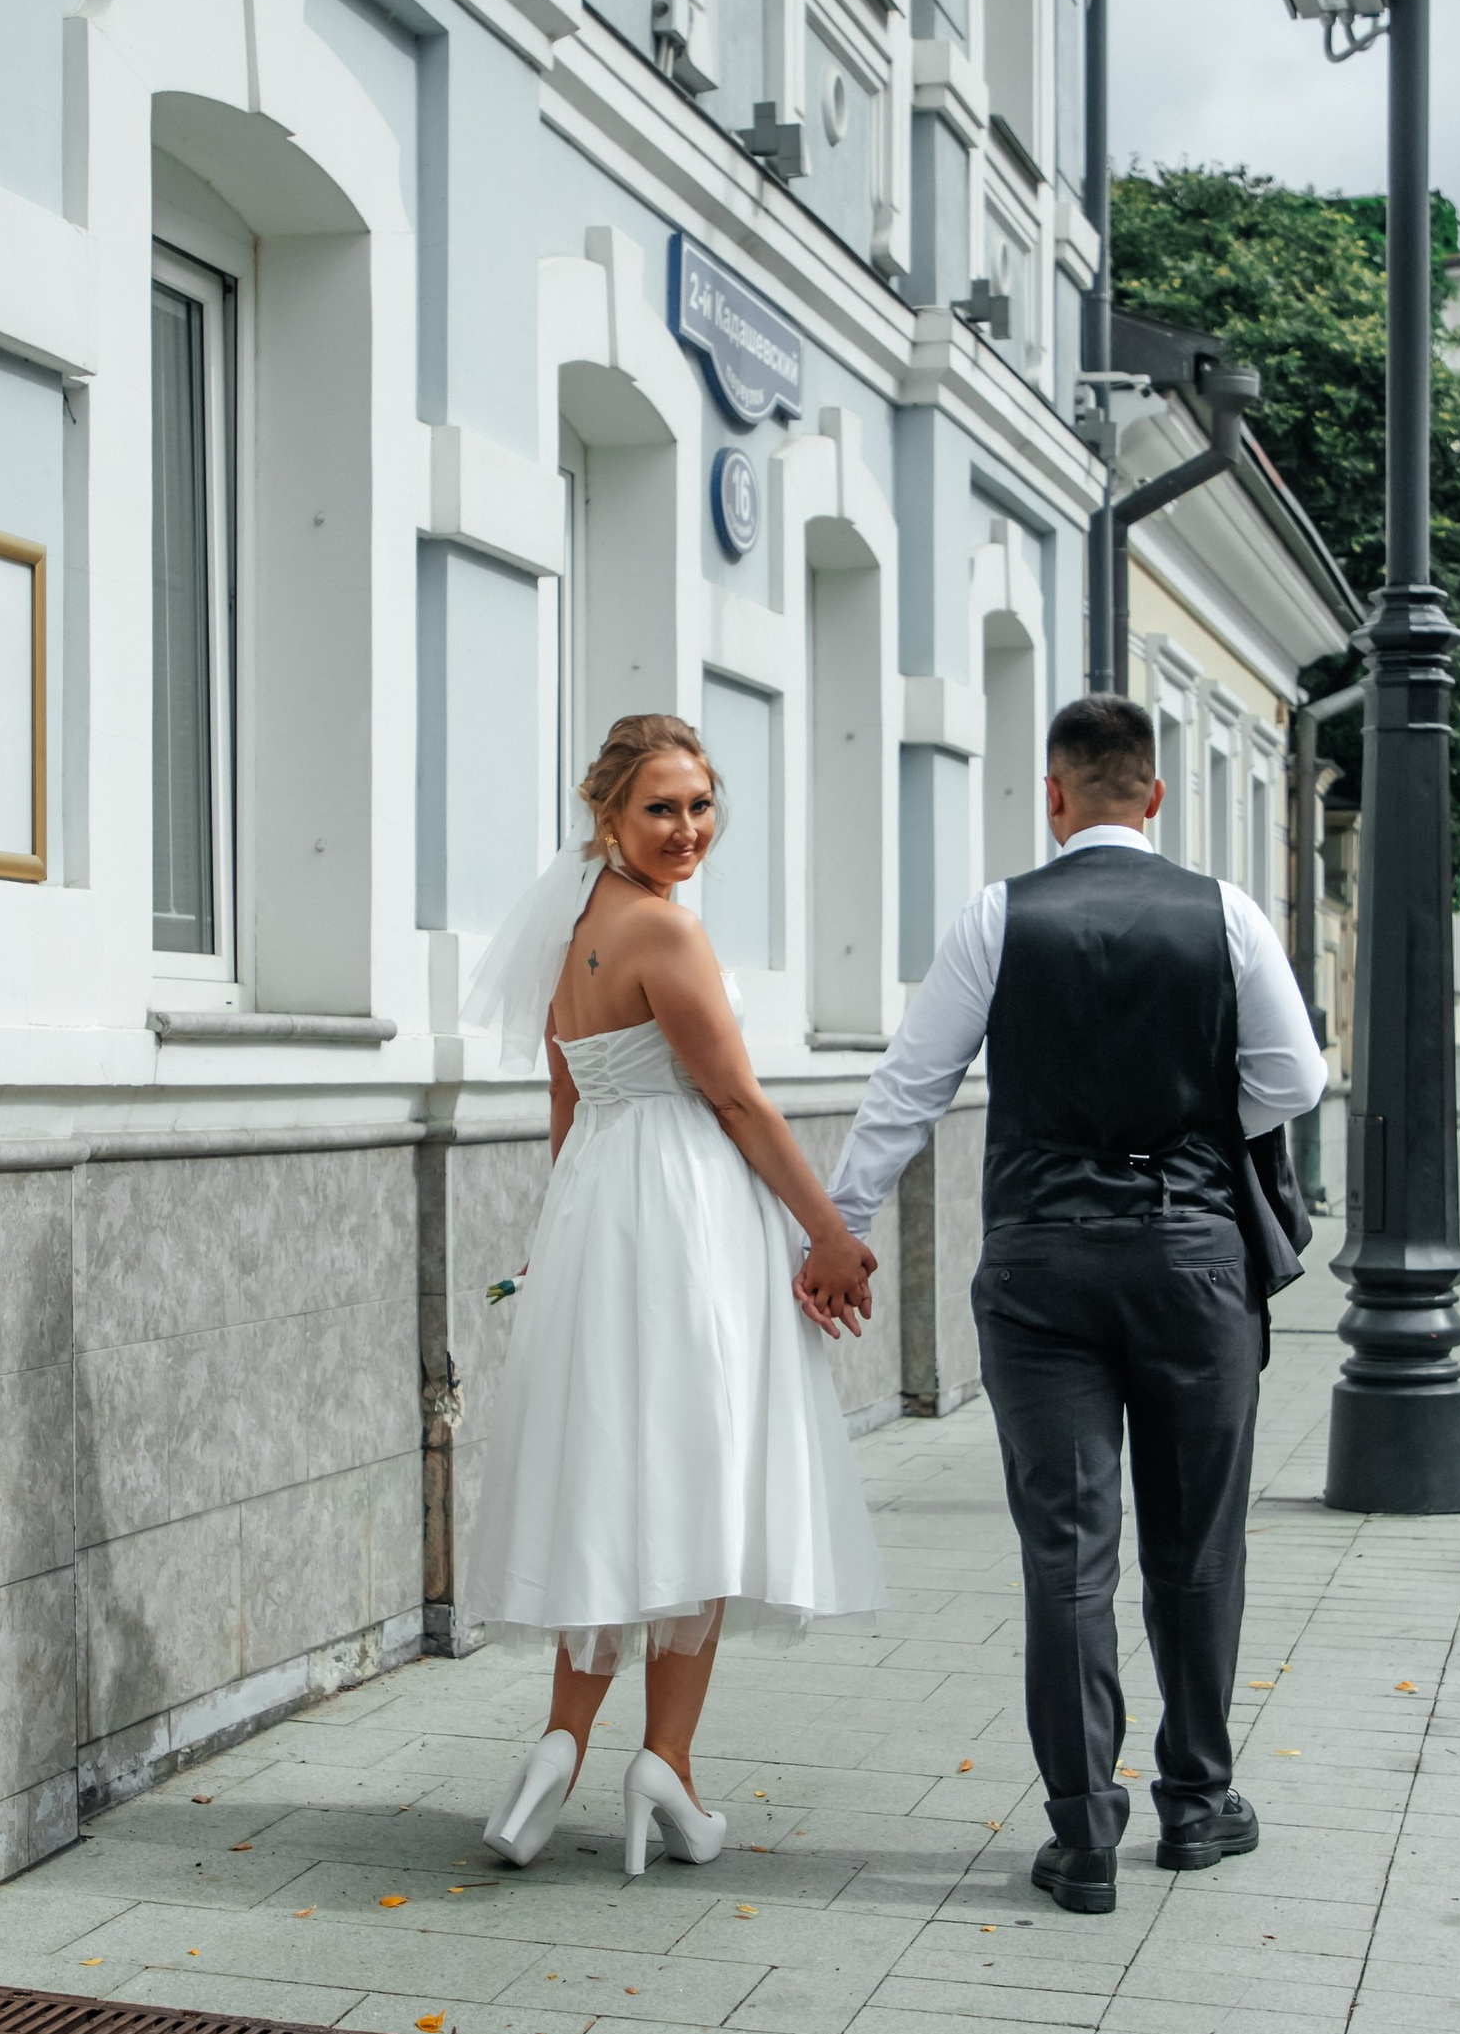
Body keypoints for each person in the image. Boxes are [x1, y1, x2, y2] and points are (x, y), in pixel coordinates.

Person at [817, 695, 1325, 1913]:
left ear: (1052, 798)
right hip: (1193, 1262)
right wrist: (1195, 1134)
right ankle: (1196, 1805)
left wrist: (840, 1227)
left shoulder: (1000, 916)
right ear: (1154, 797)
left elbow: (910, 1086)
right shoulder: (1226, 914)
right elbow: (1292, 1078)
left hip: (1043, 1271)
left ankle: (1082, 1833)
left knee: (1069, 1554)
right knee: (1196, 1549)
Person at [460, 714, 885, 1879]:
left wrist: (560, 1228)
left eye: (701, 806)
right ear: (608, 814)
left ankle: (560, 1742)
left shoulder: (572, 926)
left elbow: (565, 1097)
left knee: (609, 1473)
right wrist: (831, 1234)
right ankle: (668, 1767)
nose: (688, 828)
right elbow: (738, 1106)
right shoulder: (664, 933)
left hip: (601, 1207)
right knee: (695, 1477)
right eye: (661, 808)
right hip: (687, 1218)